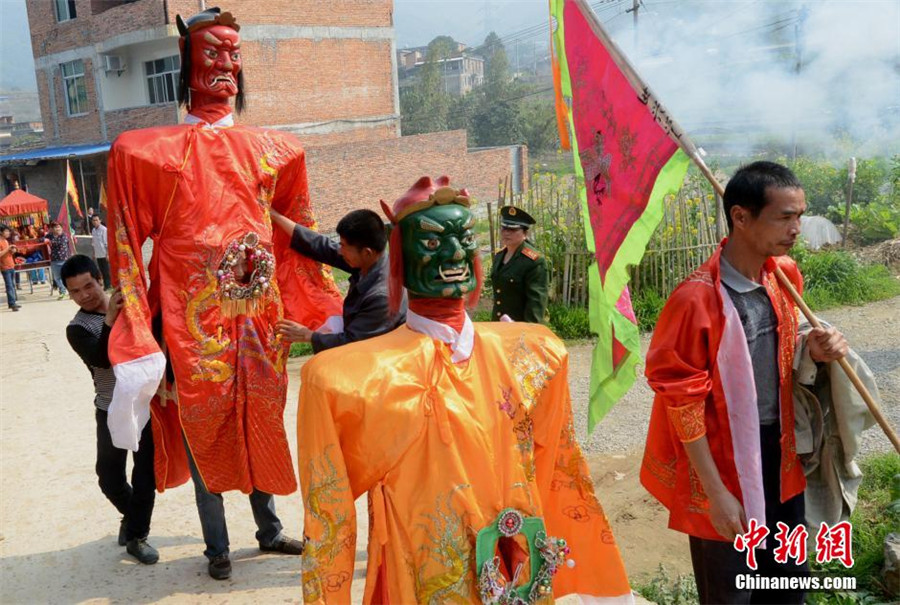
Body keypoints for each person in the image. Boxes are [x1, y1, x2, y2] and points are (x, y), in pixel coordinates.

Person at [296, 176, 633, 604]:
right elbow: (329, 516)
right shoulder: (350, 380)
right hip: (424, 570)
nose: (455, 253)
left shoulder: (534, 355)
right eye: (433, 244)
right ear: (400, 256)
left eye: (464, 238)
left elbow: (556, 470)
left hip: (518, 567)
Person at [105, 7, 342, 580]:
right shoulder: (148, 153)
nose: (226, 65)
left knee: (261, 417)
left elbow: (292, 233)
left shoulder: (279, 151)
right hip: (195, 326)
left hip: (258, 320)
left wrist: (326, 312)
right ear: (187, 61)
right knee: (204, 427)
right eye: (212, 52)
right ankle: (217, 549)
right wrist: (140, 322)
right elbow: (126, 242)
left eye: (234, 53)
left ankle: (270, 528)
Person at [640, 161, 849, 605]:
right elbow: (683, 404)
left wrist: (814, 349)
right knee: (732, 595)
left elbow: (779, 354)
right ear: (740, 216)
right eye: (783, 216)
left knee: (786, 587)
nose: (796, 228)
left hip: (780, 455)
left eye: (799, 215)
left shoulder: (783, 277)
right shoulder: (695, 300)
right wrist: (716, 493)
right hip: (723, 463)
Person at [62, 254, 158, 564]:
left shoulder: (132, 307)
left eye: (88, 286)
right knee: (108, 475)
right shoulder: (77, 328)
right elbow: (102, 359)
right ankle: (132, 518)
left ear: (100, 280)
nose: (84, 295)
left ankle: (137, 536)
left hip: (145, 405)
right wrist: (109, 321)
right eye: (75, 291)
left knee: (144, 474)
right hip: (110, 407)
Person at [270, 207, 405, 351]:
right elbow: (321, 246)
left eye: (343, 246)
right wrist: (276, 216)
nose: (339, 251)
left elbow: (353, 342)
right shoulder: (372, 260)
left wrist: (308, 335)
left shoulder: (381, 296)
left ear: (367, 252)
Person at [491, 205, 549, 323]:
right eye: (504, 228)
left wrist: (528, 333)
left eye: (512, 229)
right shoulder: (499, 256)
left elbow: (536, 303)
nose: (506, 233)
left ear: (525, 233)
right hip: (499, 325)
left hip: (520, 328)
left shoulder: (534, 261)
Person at [45, 221, 71, 299]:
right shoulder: (50, 236)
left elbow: (59, 243)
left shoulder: (64, 236)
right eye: (56, 227)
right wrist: (45, 240)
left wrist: (49, 241)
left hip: (64, 259)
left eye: (59, 227)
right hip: (54, 260)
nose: (58, 229)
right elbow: (42, 239)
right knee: (57, 278)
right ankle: (62, 291)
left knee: (67, 277)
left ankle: (70, 292)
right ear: (52, 229)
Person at [0, 224, 20, 311]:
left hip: (11, 265)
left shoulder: (6, 241)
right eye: (6, 231)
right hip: (5, 267)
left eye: (8, 231)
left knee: (12, 285)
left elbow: (8, 252)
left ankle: (13, 302)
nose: (8, 233)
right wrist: (8, 248)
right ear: (1, 232)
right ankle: (12, 303)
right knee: (9, 286)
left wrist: (12, 251)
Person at [90, 215, 112, 289]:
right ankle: (106, 285)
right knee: (101, 271)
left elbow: (106, 243)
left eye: (96, 220)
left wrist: (108, 254)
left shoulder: (104, 229)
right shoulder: (93, 230)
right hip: (98, 254)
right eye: (93, 220)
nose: (95, 222)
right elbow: (93, 243)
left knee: (106, 271)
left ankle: (108, 285)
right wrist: (93, 253)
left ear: (100, 220)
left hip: (104, 253)